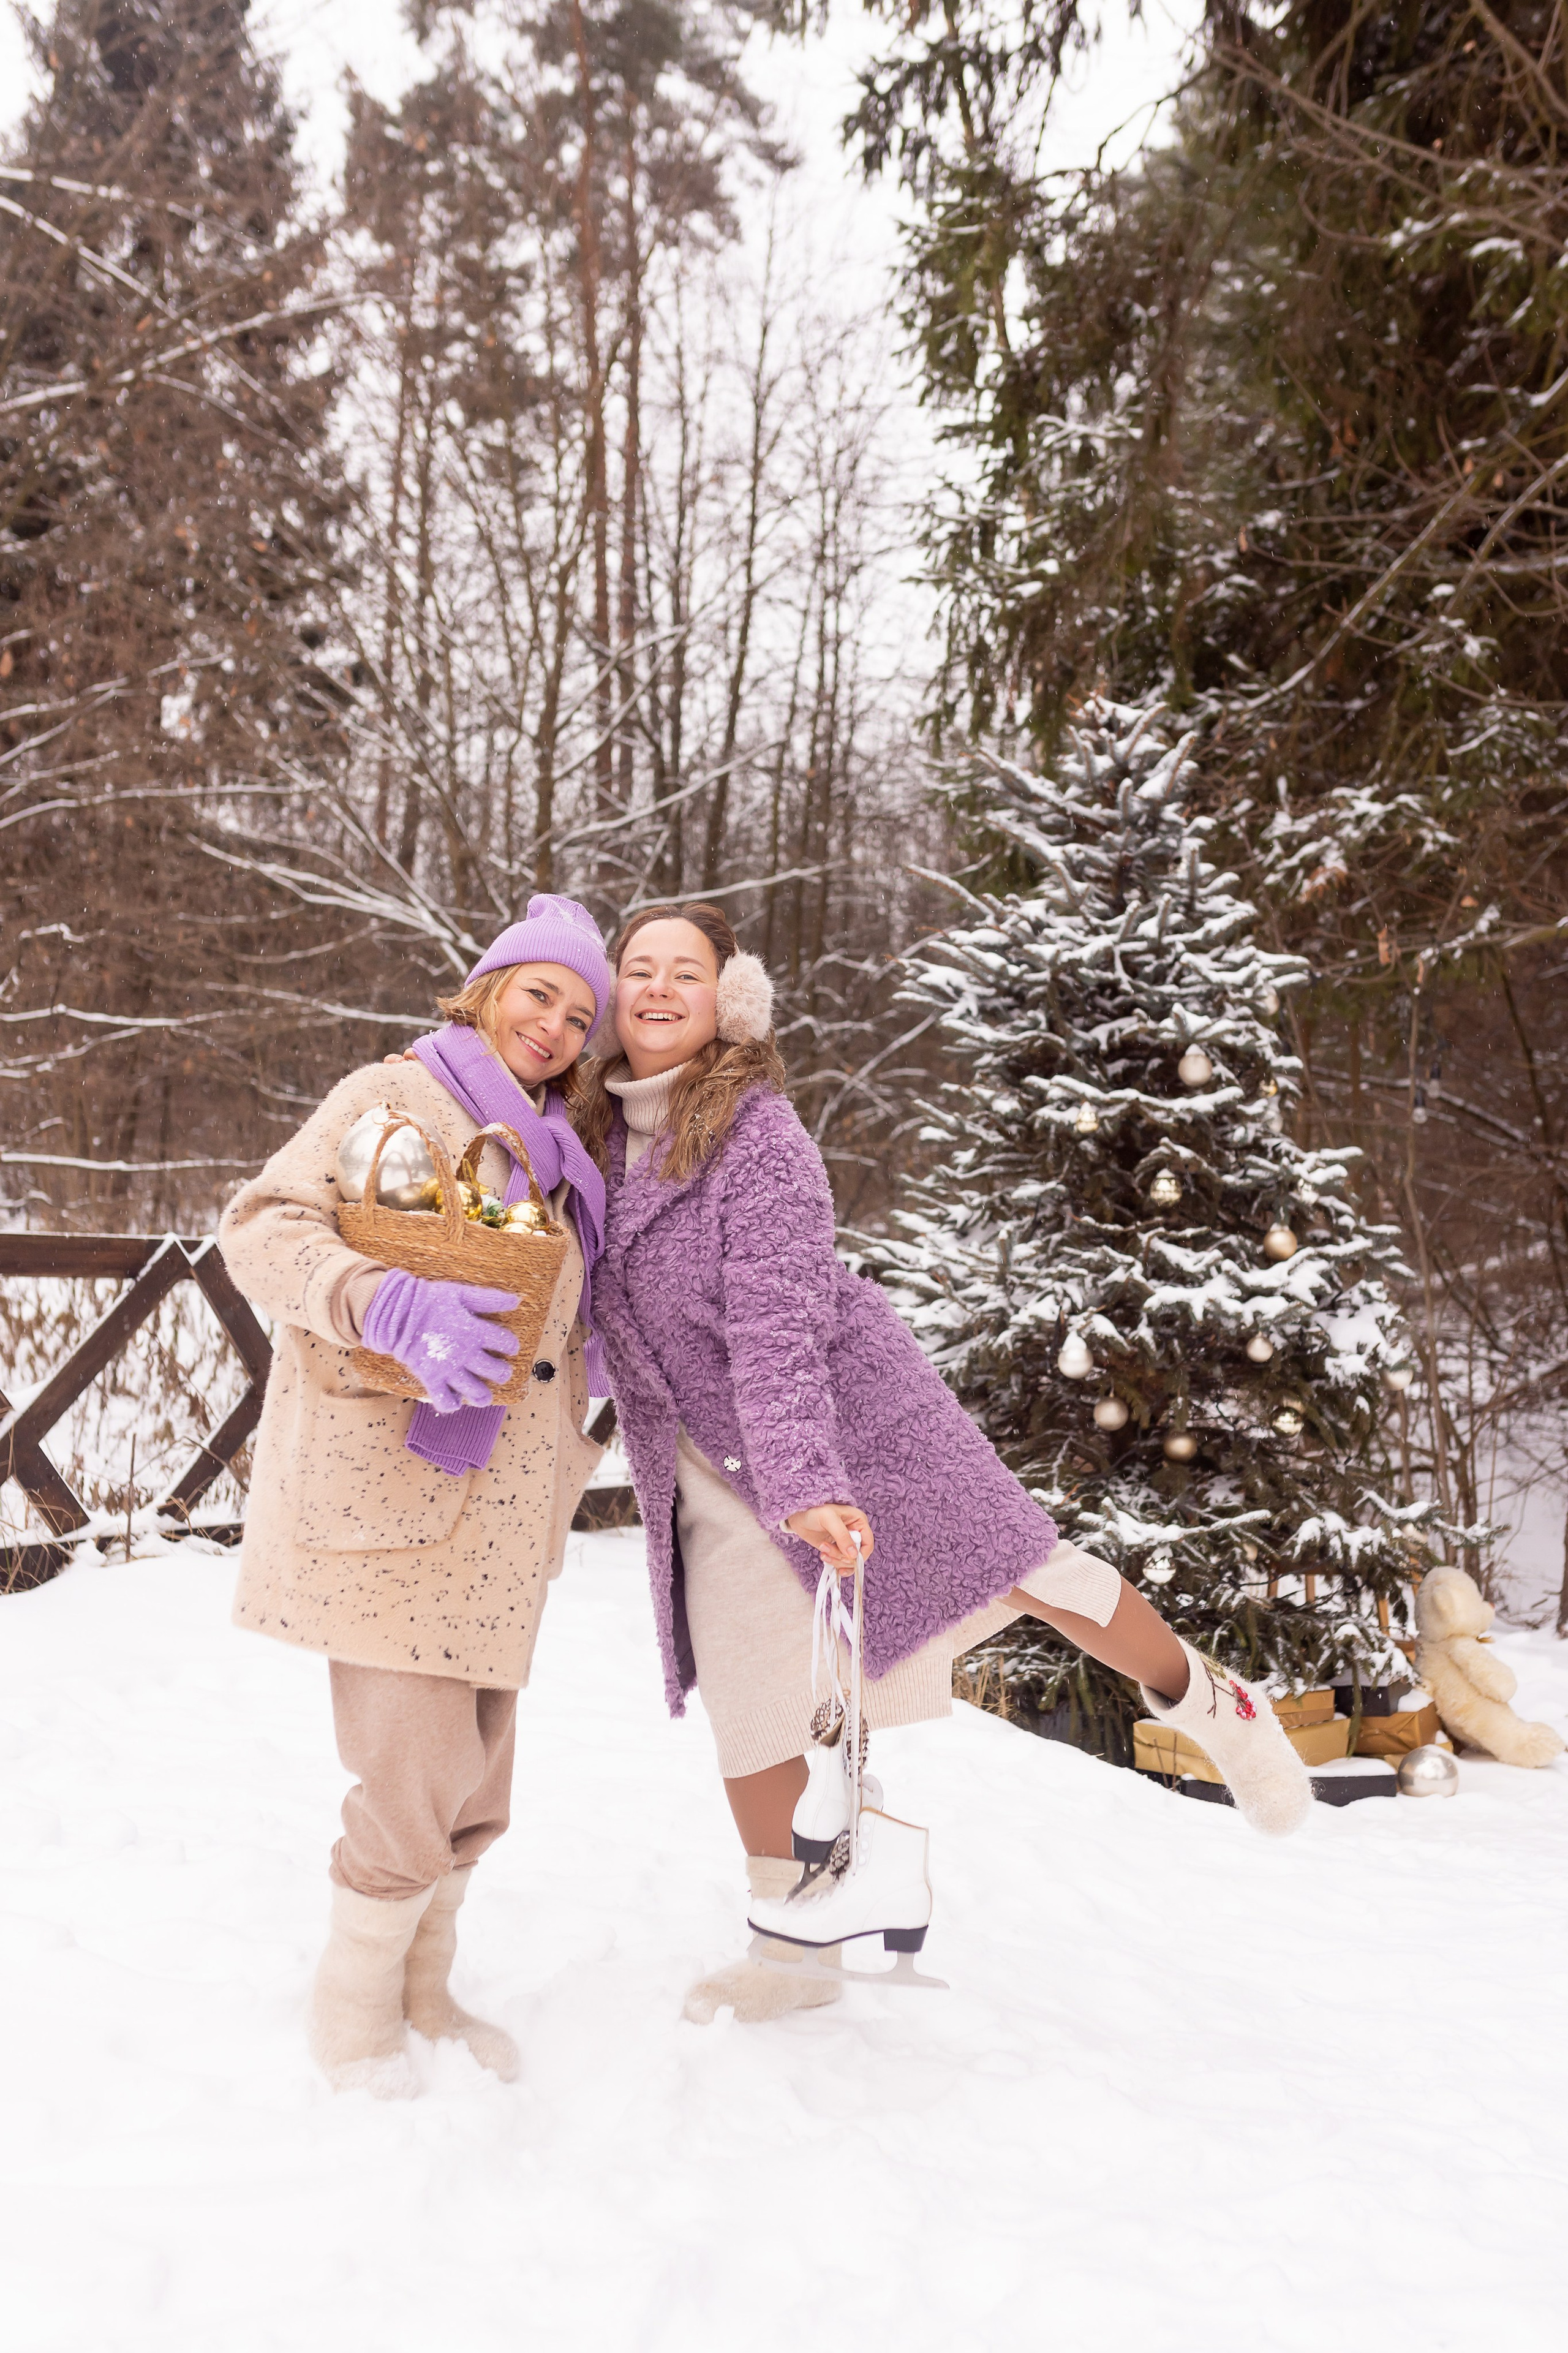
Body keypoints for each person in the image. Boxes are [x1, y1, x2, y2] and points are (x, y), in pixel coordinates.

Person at [580, 901, 1310, 2024]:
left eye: (689, 970)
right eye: (641, 969)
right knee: (751, 1700)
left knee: (1022, 1567)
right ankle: (795, 1951)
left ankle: (1212, 1704)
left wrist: (809, 1482)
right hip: (709, 1465)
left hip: (851, 1421)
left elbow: (778, 1335)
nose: (661, 987)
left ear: (730, 998)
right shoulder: (588, 1139)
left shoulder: (758, 1135)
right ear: (614, 991)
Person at [219, 895, 613, 2095]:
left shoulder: (561, 1150)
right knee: (410, 1762)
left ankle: (425, 1985)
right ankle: (352, 2013)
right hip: (392, 1481)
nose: (552, 1025)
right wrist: (376, 1300)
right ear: (485, 988)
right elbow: (260, 1228)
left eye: (577, 1013)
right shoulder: (388, 1100)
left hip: (506, 1504)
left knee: (476, 1770)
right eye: (537, 992)